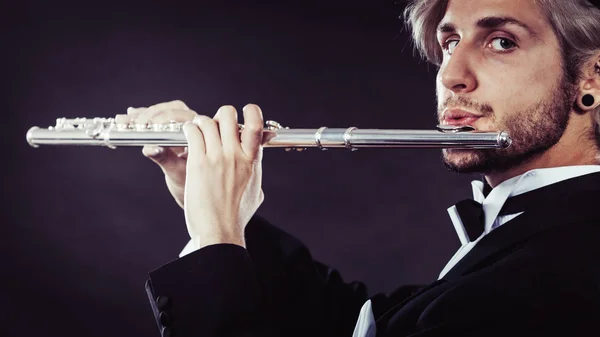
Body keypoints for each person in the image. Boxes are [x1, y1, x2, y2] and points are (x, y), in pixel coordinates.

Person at [116, 0, 600, 336]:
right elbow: (358, 326)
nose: (451, 75)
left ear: (590, 77)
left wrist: (218, 235)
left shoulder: (574, 264)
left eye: (501, 42)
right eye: (450, 43)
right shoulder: (530, 237)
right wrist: (214, 200)